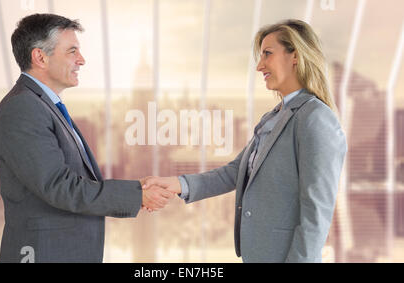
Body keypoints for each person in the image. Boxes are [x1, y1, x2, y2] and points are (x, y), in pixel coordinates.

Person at [143, 19, 347, 263]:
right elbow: (235, 173)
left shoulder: (316, 118)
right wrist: (177, 183)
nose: (260, 66)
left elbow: (317, 210)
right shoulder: (273, 117)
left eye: (267, 54)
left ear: (295, 56)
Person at [0, 13, 173, 263]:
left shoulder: (44, 106)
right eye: (72, 51)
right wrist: (135, 195)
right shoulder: (23, 107)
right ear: (40, 57)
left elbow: (73, 180)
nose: (82, 60)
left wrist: (136, 189)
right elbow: (60, 187)